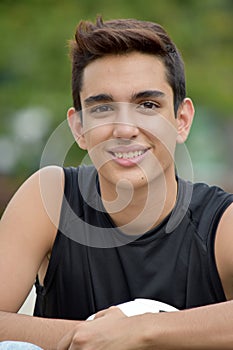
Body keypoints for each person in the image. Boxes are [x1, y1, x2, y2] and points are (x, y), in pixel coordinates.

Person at [0, 15, 233, 350]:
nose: (124, 129)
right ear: (78, 127)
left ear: (181, 121)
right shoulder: (50, 198)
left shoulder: (220, 223)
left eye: (148, 105)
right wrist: (99, 337)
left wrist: (143, 331)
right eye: (103, 108)